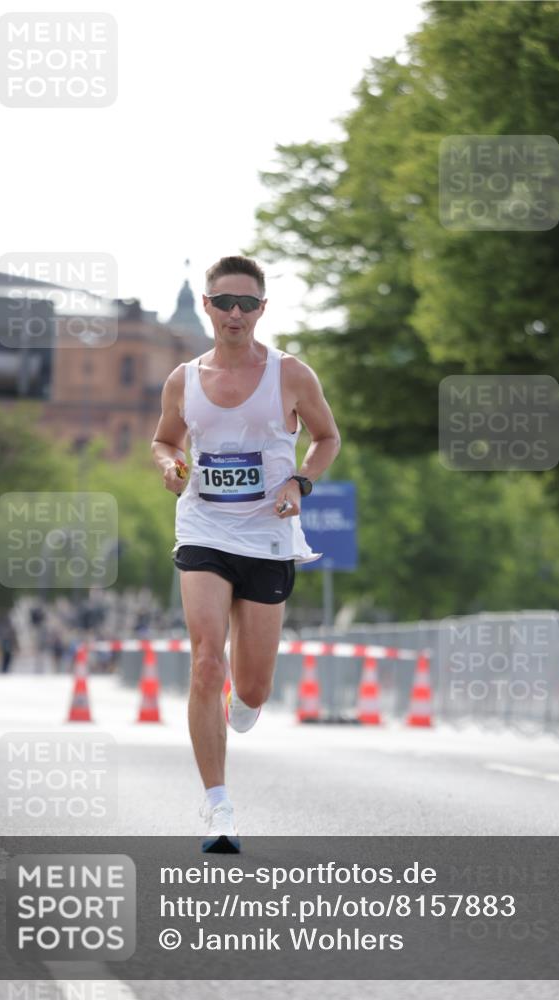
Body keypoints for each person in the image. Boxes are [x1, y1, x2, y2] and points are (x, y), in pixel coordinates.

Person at [151, 255, 340, 852]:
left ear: (262, 309)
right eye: (225, 302)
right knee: (208, 659)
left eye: (247, 303)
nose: (236, 313)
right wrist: (169, 464)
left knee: (251, 690)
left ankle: (243, 699)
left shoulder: (291, 375)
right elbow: (164, 439)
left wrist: (298, 482)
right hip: (204, 525)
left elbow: (327, 437)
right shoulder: (182, 379)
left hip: (267, 534)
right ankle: (218, 807)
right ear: (206, 307)